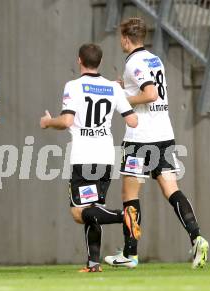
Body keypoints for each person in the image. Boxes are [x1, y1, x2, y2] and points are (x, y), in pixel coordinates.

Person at [104, 17, 209, 269]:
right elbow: (151, 89)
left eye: (121, 37)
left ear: (126, 39)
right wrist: (126, 87)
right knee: (172, 189)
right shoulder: (154, 58)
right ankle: (197, 237)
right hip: (164, 133)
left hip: (141, 137)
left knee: (129, 194)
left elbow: (149, 94)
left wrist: (124, 97)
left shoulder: (133, 62)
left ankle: (130, 254)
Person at [40, 43, 139, 272]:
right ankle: (93, 263)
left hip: (84, 158)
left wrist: (47, 122)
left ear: (79, 61)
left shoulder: (74, 86)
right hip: (105, 157)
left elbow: (65, 122)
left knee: (78, 212)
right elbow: (133, 121)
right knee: (94, 209)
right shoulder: (112, 88)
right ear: (100, 62)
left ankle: (123, 216)